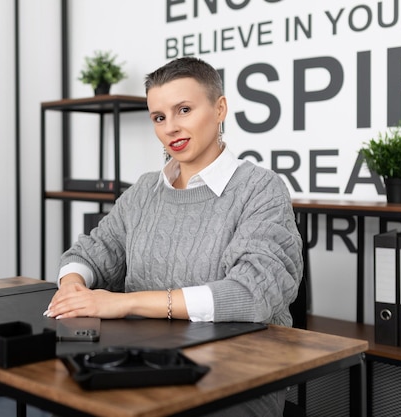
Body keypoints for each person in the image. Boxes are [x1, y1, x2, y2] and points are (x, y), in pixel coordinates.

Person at [44, 57, 303, 416]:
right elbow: (92, 250)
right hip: (142, 366)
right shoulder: (146, 189)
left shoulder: (260, 188)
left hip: (237, 379)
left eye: (184, 110)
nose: (171, 128)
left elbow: (251, 294)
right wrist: (72, 284)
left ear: (220, 109)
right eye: (159, 117)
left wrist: (125, 303)